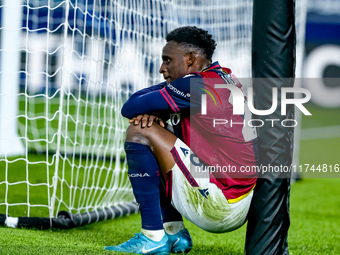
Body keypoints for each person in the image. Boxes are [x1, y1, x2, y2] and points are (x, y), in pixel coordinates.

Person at [104, 26, 259, 254]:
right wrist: (159, 111)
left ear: (189, 59)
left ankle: (153, 237)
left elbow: (130, 106)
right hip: (242, 200)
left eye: (168, 60)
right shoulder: (223, 76)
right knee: (160, 130)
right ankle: (174, 234)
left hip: (221, 203)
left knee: (140, 130)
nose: (162, 68)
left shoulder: (195, 86)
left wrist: (156, 109)